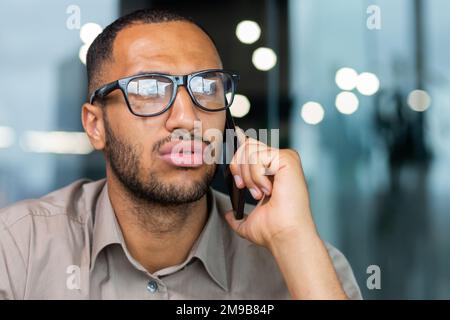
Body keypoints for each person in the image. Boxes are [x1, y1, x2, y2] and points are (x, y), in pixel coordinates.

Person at [0, 9, 361, 299]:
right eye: (149, 89)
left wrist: (293, 240)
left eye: (207, 88)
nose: (187, 118)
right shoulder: (19, 250)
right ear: (96, 126)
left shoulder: (300, 260)